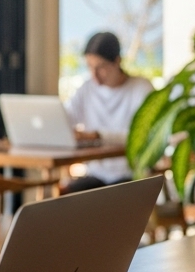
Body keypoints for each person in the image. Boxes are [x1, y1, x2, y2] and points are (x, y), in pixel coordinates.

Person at [63, 31, 156, 192]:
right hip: (96, 174)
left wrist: (98, 136)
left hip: (132, 174)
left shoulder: (141, 89)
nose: (94, 75)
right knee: (67, 197)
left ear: (117, 62)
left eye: (100, 68)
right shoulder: (87, 89)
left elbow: (144, 137)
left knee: (111, 196)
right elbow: (66, 118)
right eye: (90, 67)